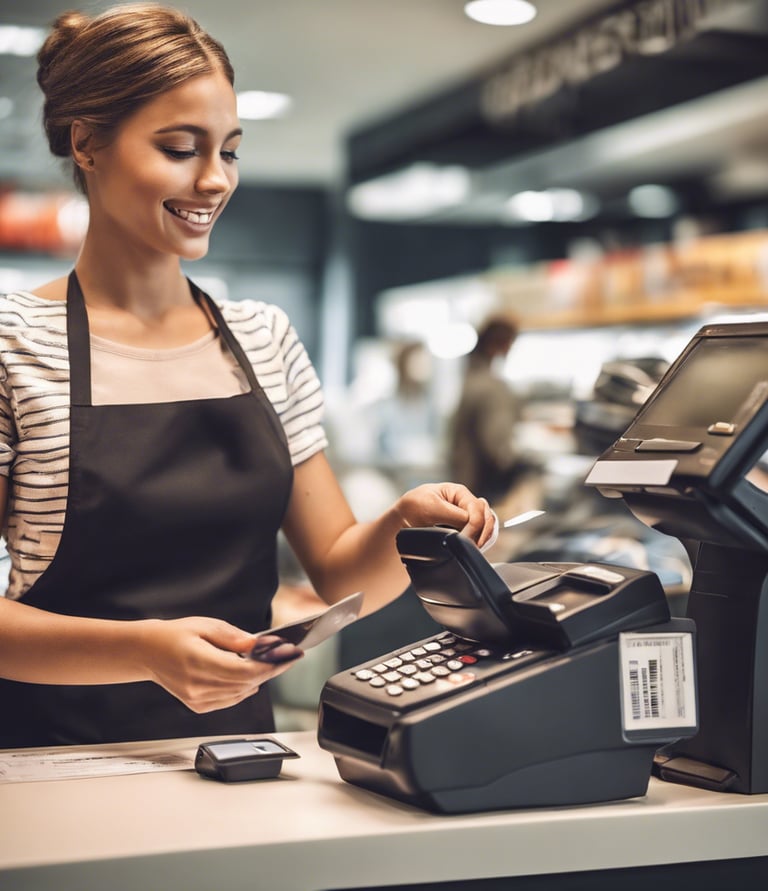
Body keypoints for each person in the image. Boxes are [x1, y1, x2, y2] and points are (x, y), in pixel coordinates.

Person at [0, 4, 495, 748]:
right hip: (52, 758)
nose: (213, 181)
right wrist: (142, 649)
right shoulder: (13, 345)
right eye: (178, 148)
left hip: (238, 753)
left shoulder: (263, 337)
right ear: (87, 144)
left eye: (229, 151)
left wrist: (402, 523)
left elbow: (336, 572)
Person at [448, 314, 527, 506]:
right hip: (484, 490)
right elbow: (499, 452)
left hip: (465, 483)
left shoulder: (471, 378)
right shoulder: (490, 387)